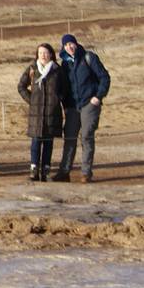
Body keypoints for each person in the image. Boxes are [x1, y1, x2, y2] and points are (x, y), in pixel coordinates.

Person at [55, 34, 111, 183]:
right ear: (63, 47)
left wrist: (98, 97)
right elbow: (64, 87)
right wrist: (65, 105)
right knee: (70, 138)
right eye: (66, 45)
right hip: (72, 106)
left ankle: (86, 172)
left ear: (76, 44)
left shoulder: (88, 58)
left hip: (89, 104)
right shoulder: (65, 64)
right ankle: (64, 171)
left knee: (86, 137)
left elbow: (104, 77)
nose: (69, 47)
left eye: (71, 44)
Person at [17, 44, 68, 182]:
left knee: (48, 143)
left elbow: (65, 89)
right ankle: (34, 170)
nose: (43, 55)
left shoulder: (57, 70)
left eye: (46, 53)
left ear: (51, 54)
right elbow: (21, 86)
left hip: (52, 112)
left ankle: (45, 170)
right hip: (36, 113)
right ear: (37, 55)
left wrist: (57, 100)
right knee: (35, 142)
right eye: (40, 53)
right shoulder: (32, 69)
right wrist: (32, 100)